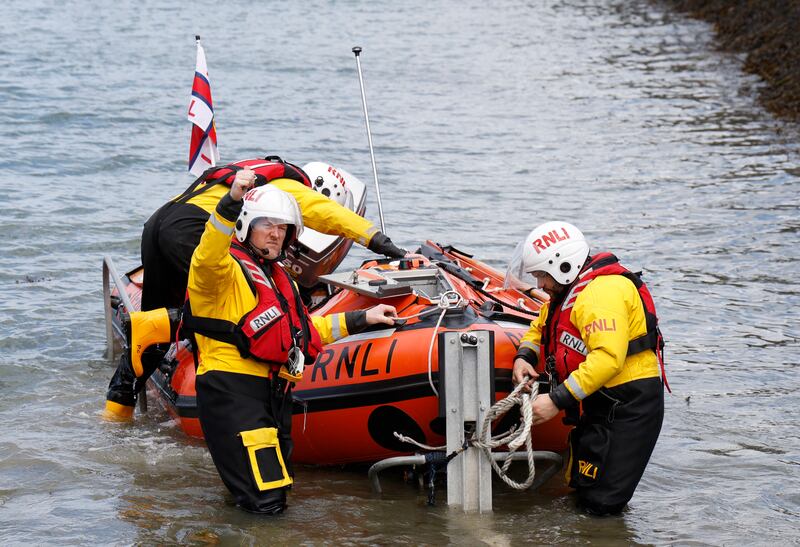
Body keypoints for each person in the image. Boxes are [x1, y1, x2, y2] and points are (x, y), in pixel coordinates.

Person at [103, 156, 405, 420]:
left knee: (156, 332)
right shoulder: (287, 188)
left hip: (159, 225)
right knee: (220, 311)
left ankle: (116, 410)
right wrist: (383, 243)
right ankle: (186, 351)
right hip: (194, 230)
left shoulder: (252, 174)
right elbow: (331, 216)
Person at [186, 177, 399, 514]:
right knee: (267, 503)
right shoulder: (220, 273)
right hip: (233, 390)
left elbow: (299, 331)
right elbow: (206, 255)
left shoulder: (276, 275)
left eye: (282, 227)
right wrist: (230, 203)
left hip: (273, 394)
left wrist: (361, 319)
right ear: (245, 225)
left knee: (269, 494)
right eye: (266, 224)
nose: (275, 233)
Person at [506, 221, 667, 516]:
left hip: (629, 404)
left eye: (542, 275)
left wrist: (555, 401)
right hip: (600, 400)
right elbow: (540, 327)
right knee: (584, 487)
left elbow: (607, 358)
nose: (540, 285)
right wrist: (524, 357)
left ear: (563, 266)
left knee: (603, 502)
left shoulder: (601, 294)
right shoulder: (569, 293)